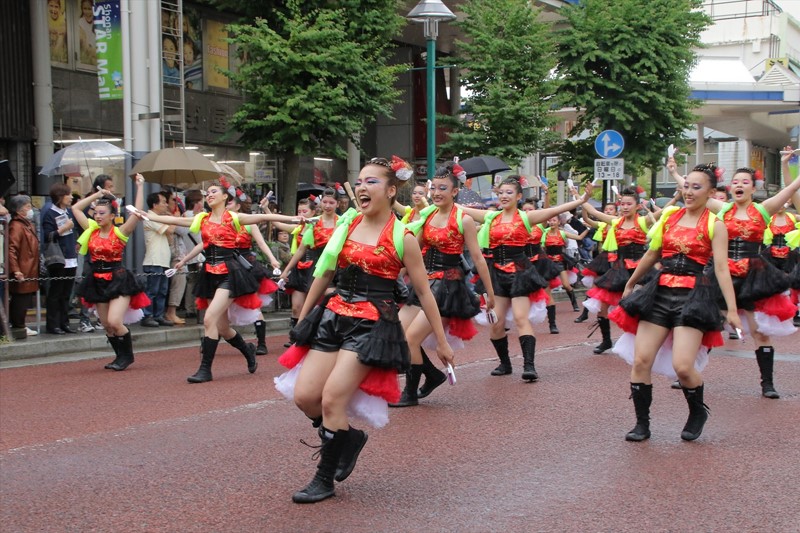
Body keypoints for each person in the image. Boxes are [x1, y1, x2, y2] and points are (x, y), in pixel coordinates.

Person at [274, 156, 454, 504]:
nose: (361, 187)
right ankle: (349, 437)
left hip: (372, 324)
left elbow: (423, 291)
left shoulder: (404, 236)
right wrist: (304, 318)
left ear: (391, 190)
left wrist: (442, 342)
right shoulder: (347, 224)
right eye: (359, 182)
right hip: (333, 315)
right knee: (305, 397)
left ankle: (324, 479)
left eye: (371, 182)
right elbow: (325, 272)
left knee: (331, 399)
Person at [610, 164, 742, 442]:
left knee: (683, 367)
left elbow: (721, 268)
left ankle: (698, 412)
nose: (689, 192)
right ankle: (642, 424)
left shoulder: (715, 224)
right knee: (641, 360)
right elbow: (652, 253)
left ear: (710, 192)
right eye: (686, 186)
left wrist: (731, 309)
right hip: (659, 293)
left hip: (693, 297)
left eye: (696, 187)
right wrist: (631, 282)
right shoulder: (670, 217)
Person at [135, 181, 303, 383]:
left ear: (225, 197)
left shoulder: (234, 218)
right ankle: (247, 350)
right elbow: (174, 220)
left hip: (229, 274)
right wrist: (147, 215)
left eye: (214, 191)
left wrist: (293, 219)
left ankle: (205, 369)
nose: (209, 195)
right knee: (222, 328)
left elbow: (265, 217)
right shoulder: (202, 218)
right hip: (209, 274)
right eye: (208, 193)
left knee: (209, 319)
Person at [669, 151, 800, 398]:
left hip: (754, 277)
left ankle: (767, 384)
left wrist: (787, 165)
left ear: (753, 188)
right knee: (707, 324)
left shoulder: (764, 209)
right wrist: (675, 172)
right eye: (736, 181)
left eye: (745, 182)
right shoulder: (722, 208)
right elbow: (693, 189)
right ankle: (686, 372)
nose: (739, 185)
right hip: (722, 274)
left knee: (759, 332)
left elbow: (792, 188)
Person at [460, 177, 593, 380]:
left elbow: (555, 210)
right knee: (495, 323)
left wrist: (582, 199)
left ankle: (529, 366)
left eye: (509, 193)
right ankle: (505, 364)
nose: (504, 196)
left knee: (521, 318)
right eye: (501, 193)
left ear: (518, 196)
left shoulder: (526, 217)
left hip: (519, 271)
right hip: (496, 271)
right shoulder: (490, 216)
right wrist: (436, 198)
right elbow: (460, 208)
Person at [390, 161, 495, 407]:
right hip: (424, 282)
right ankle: (433, 375)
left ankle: (410, 393)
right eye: (434, 188)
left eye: (443, 188)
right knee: (397, 333)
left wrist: (489, 293)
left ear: (455, 191)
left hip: (448, 287)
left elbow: (478, 258)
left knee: (411, 338)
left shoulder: (463, 219)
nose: (436, 193)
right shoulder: (428, 215)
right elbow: (412, 250)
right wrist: (392, 274)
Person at [71, 176, 149, 371]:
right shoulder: (91, 230)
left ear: (112, 215)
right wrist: (97, 194)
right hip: (97, 279)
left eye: (102, 213)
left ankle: (127, 356)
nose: (98, 216)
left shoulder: (120, 232)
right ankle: (119, 356)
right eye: (96, 213)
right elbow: (76, 208)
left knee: (115, 321)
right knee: (106, 324)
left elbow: (137, 213)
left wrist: (140, 187)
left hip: (118, 279)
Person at [581, 188, 651, 353]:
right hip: (619, 269)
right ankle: (606, 341)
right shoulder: (615, 221)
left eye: (629, 204)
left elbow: (665, 212)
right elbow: (592, 212)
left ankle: (642, 344)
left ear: (637, 206)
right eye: (623, 204)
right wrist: (584, 197)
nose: (625, 207)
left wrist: (678, 195)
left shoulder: (643, 221)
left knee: (639, 308)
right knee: (602, 306)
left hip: (639, 268)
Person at [541, 214, 589, 333]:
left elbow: (579, 237)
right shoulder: (544, 233)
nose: (552, 222)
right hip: (548, 262)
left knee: (566, 285)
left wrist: (588, 228)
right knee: (547, 288)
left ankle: (574, 303)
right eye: (550, 220)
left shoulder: (562, 233)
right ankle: (549, 313)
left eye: (554, 220)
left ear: (559, 222)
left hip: (560, 261)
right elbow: (542, 248)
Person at [41, 183, 78, 334]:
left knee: (66, 293)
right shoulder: (50, 213)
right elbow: (48, 236)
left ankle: (65, 322)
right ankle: (53, 324)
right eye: (68, 194)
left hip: (71, 256)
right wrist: (63, 228)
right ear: (60, 196)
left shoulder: (69, 212)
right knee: (55, 292)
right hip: (58, 257)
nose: (71, 197)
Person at [7, 195, 40, 339]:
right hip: (23, 269)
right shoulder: (16, 226)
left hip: (29, 268)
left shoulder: (26, 224)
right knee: (20, 299)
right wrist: (16, 270)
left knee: (24, 299)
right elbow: (11, 249)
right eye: (28, 206)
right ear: (19, 210)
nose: (30, 209)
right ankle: (19, 325)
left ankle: (20, 324)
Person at [141, 191, 175, 327]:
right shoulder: (150, 217)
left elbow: (170, 238)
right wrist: (174, 217)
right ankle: (147, 315)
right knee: (152, 290)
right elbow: (170, 230)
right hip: (153, 260)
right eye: (163, 202)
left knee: (162, 291)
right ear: (154, 205)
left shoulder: (159, 218)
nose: (166, 205)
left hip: (163, 260)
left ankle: (158, 315)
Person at [164, 190, 188, 325]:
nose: (175, 202)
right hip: (174, 255)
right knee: (177, 283)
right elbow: (183, 230)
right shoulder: (166, 216)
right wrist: (180, 217)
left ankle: (171, 312)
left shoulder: (173, 216)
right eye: (172, 200)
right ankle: (170, 312)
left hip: (177, 253)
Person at [78, 0, 96, 65]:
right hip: (86, 50)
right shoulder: (80, 22)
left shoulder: (97, 21)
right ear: (82, 9)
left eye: (89, 9)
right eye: (85, 9)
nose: (87, 12)